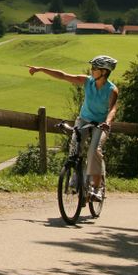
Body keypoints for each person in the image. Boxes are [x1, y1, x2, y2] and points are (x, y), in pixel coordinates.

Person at [27, 55, 119, 201]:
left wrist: (107, 122)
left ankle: (97, 188)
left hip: (101, 124)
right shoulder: (87, 81)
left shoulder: (111, 90)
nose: (91, 70)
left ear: (104, 71)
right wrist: (41, 69)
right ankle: (77, 176)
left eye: (95, 68)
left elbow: (113, 109)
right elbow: (63, 75)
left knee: (94, 151)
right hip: (83, 119)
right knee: (75, 148)